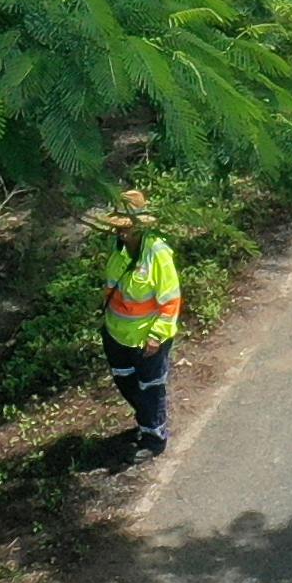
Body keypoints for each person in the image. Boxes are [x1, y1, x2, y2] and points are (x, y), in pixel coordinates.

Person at [97, 193, 182, 461]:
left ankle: (153, 437)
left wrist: (156, 338)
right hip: (116, 335)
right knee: (126, 383)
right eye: (118, 227)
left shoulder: (157, 253)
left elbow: (170, 301)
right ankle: (147, 420)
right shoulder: (119, 250)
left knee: (150, 387)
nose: (121, 233)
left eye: (126, 227)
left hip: (147, 341)